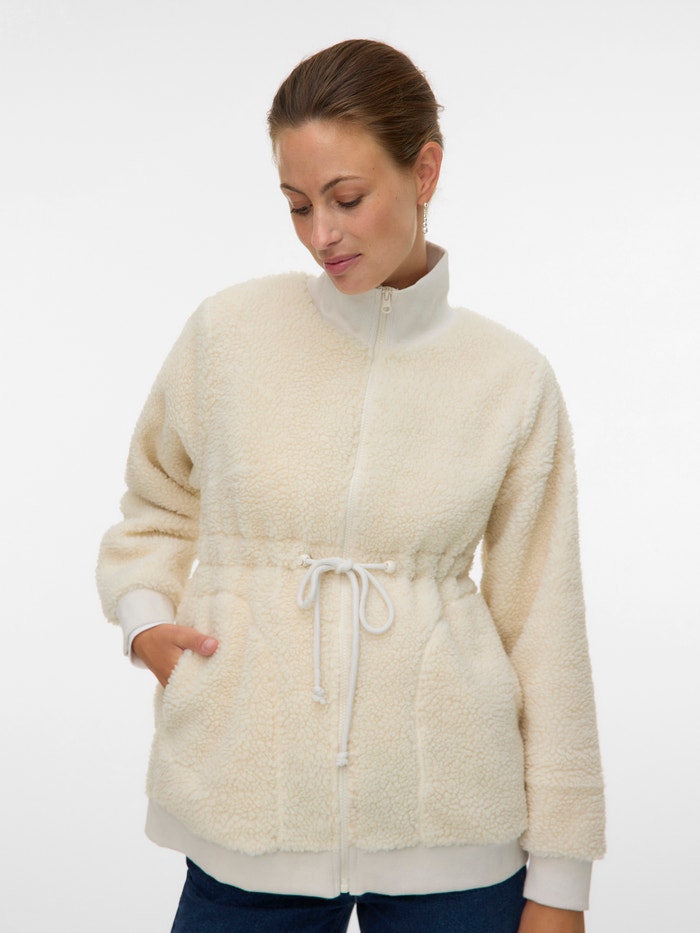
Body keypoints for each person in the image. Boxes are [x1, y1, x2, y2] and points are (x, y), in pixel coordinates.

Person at [97, 38, 605, 933]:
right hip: (247, 824)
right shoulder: (229, 334)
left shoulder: (510, 377)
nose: (320, 234)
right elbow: (157, 506)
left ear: (425, 171)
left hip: (455, 833)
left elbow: (545, 625)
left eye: (346, 198)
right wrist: (146, 624)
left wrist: (562, 882)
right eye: (297, 205)